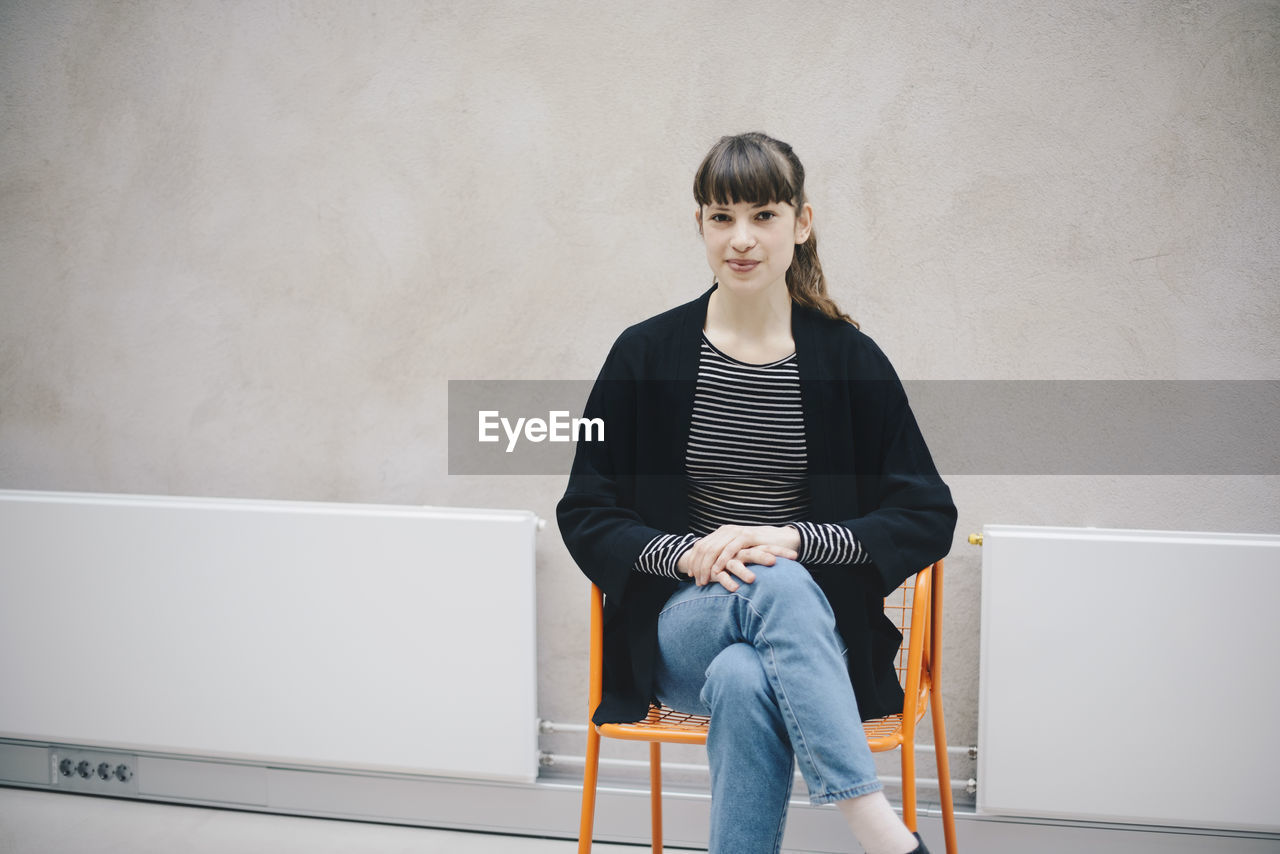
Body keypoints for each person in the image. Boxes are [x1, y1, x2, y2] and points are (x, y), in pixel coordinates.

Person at [558, 132, 956, 854]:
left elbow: (927, 513)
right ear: (701, 226)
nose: (741, 239)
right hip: (682, 627)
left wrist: (796, 540)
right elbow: (585, 510)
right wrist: (686, 556)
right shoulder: (643, 354)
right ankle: (881, 831)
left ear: (801, 223)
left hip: (813, 637)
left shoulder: (850, 360)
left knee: (745, 675)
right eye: (722, 217)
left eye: (764, 216)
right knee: (766, 585)